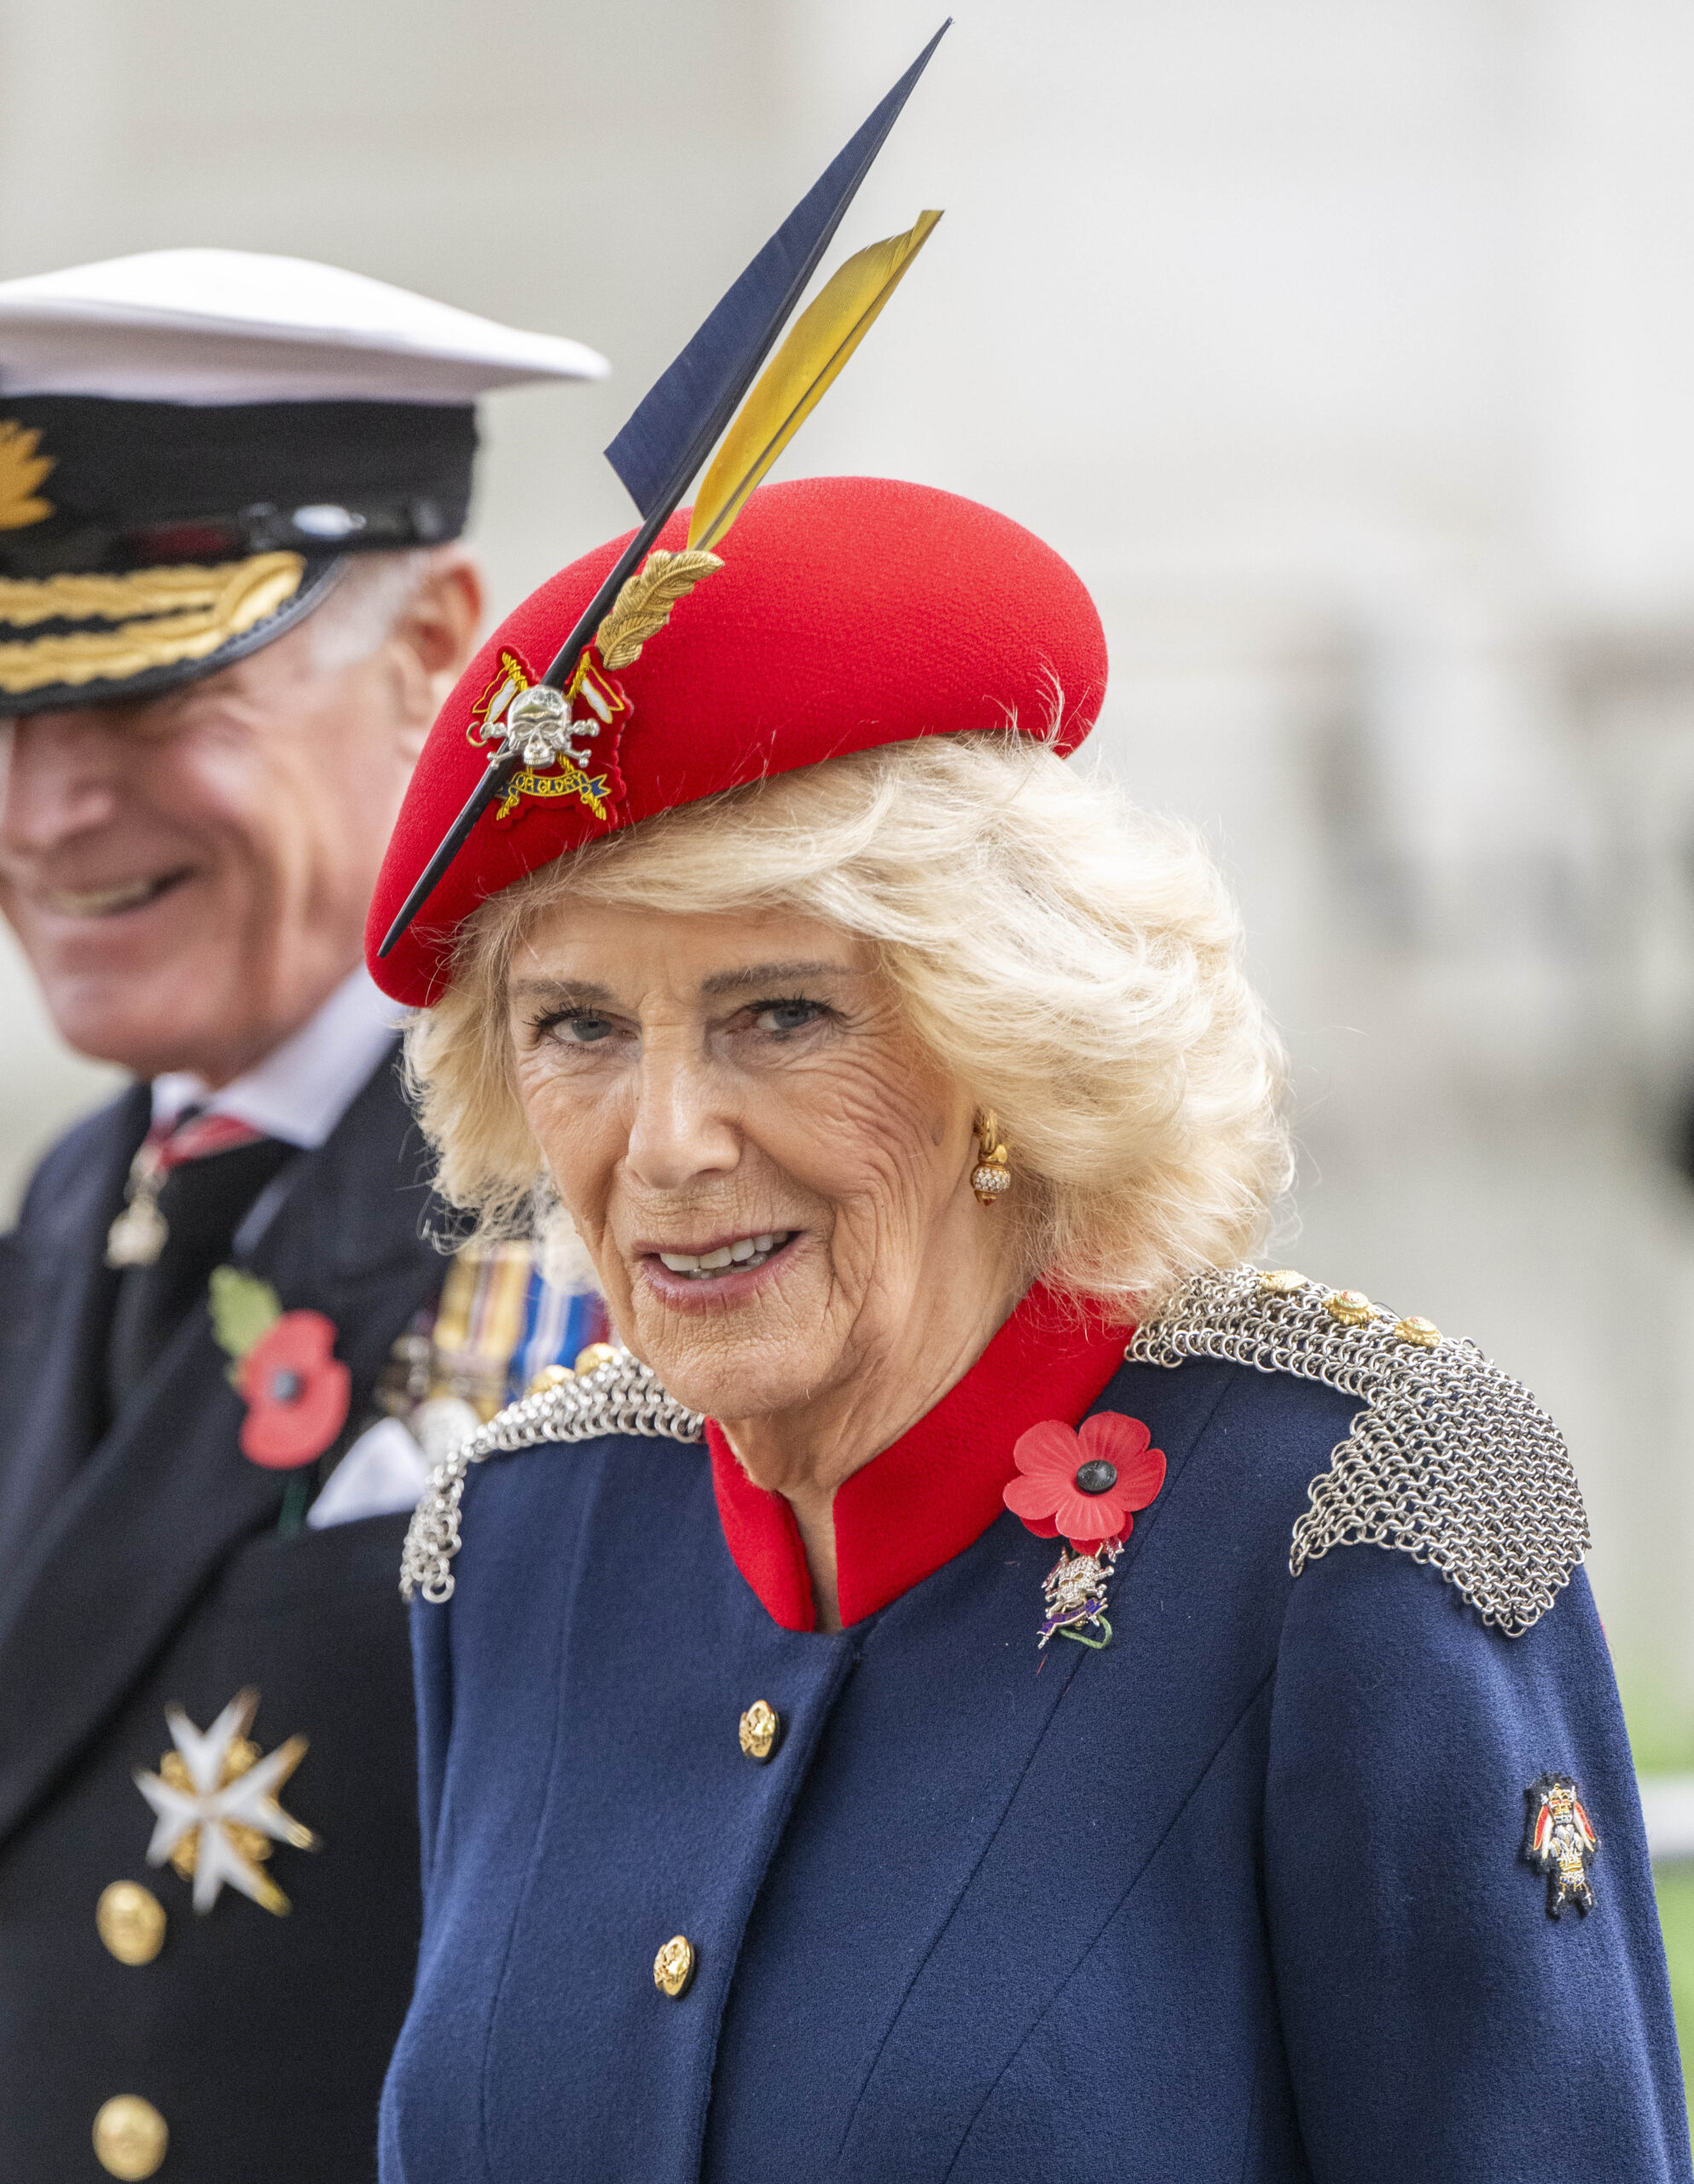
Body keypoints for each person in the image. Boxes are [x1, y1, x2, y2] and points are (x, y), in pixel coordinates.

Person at [368, 473, 1690, 2181]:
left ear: (1005, 1047)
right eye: (579, 1025)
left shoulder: (1360, 1518)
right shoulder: (520, 1538)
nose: (669, 1137)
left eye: (780, 1013)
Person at [0, 249, 610, 2184]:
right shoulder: (79, 1202)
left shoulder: (616, 1204)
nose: (41, 813)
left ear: (437, 639)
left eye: (145, 692)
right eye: (0, 714)